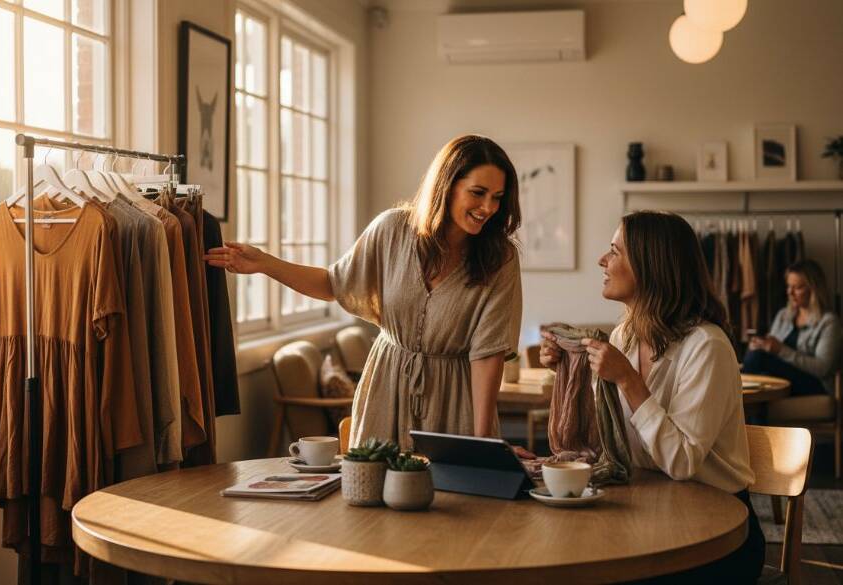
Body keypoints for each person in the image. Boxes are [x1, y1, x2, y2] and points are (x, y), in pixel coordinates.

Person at [205, 135, 524, 451]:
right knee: (370, 491)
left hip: (457, 400)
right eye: (478, 193)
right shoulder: (391, 230)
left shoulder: (500, 260)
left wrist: (485, 440)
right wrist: (264, 263)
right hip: (385, 391)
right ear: (447, 185)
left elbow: (488, 353)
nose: (488, 207)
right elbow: (334, 284)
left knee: (458, 498)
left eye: (497, 197)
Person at [540, 211, 764, 584]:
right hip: (645, 509)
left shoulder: (706, 346)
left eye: (614, 251)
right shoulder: (623, 337)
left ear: (650, 266)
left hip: (716, 533)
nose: (602, 260)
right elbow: (607, 439)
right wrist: (569, 370)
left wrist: (628, 380)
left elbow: (682, 462)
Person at [742, 259, 841, 396]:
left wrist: (780, 350)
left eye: (797, 287)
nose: (790, 292)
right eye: (789, 286)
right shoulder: (784, 315)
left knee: (757, 357)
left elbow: (823, 368)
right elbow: (771, 349)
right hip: (784, 378)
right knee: (756, 355)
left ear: (813, 289)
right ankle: (748, 408)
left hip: (815, 384)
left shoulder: (829, 322)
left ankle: (741, 405)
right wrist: (761, 345)